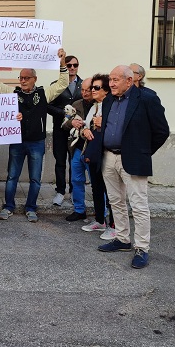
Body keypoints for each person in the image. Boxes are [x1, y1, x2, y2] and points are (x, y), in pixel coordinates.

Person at [97, 65, 169, 269]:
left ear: (129, 81)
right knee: (115, 201)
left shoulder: (147, 98)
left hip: (133, 159)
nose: (110, 83)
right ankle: (122, 239)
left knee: (138, 205)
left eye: (115, 80)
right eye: (110, 79)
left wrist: (143, 152)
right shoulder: (109, 99)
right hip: (109, 158)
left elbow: (162, 131)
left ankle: (142, 247)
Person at [0, 49, 68, 222]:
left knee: (35, 179)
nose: (23, 81)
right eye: (21, 78)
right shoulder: (13, 93)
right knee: (12, 176)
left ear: (34, 79)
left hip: (37, 143)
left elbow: (62, 84)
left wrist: (62, 64)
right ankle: (8, 206)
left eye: (26, 78)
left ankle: (31, 208)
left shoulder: (44, 93)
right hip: (17, 141)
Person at [81, 74, 115, 239]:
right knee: (96, 188)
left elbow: (116, 128)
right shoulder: (94, 107)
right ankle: (100, 220)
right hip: (94, 153)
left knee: (111, 191)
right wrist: (84, 131)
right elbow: (87, 128)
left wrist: (105, 123)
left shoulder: (112, 105)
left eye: (96, 88)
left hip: (107, 153)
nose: (92, 90)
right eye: (91, 87)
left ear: (106, 91)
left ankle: (114, 225)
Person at [47, 55, 82, 206]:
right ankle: (60, 191)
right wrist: (64, 113)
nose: (72, 68)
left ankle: (74, 191)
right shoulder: (55, 85)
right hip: (60, 129)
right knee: (60, 161)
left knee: (75, 161)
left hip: (77, 131)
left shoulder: (84, 85)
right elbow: (47, 106)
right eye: (69, 65)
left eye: (75, 65)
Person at [61, 77, 94, 222]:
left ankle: (103, 212)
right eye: (83, 90)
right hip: (77, 149)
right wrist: (71, 122)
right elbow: (64, 123)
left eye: (88, 90)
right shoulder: (76, 104)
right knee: (76, 180)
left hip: (93, 150)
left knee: (97, 183)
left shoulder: (101, 105)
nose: (85, 93)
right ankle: (79, 210)